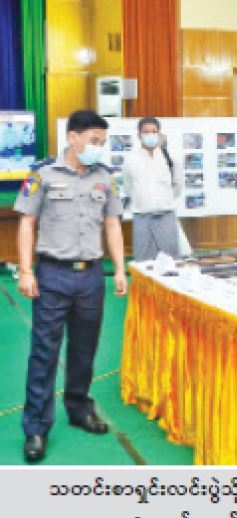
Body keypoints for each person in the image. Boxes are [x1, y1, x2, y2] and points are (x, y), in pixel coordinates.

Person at [14, 109, 127, 463]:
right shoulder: (42, 173)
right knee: (44, 352)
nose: (98, 147)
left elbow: (112, 225)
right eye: (93, 140)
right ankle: (36, 427)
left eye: (102, 142)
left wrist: (119, 269)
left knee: (84, 349)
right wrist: (26, 270)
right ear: (73, 137)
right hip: (53, 274)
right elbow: (27, 224)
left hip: (91, 276)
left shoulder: (105, 177)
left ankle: (79, 409)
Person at [122, 117, 183, 261]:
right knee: (143, 261)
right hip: (141, 217)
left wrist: (164, 201)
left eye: (154, 131)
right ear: (139, 135)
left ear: (159, 134)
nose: (150, 135)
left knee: (170, 261)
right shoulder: (130, 159)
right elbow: (128, 187)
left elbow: (178, 185)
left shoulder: (171, 158)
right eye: (146, 132)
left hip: (166, 216)